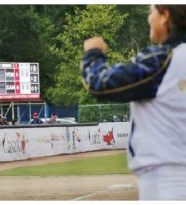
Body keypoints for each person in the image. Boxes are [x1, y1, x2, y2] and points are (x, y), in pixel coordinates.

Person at [82, 5, 186, 200]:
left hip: (166, 181)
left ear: (165, 16)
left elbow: (99, 83)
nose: (149, 18)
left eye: (152, 12)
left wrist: (93, 53)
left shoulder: (162, 58)